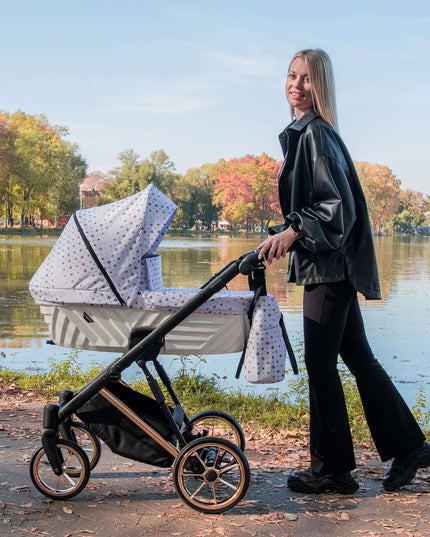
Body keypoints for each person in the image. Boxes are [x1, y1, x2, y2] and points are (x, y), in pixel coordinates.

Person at [257, 48, 430, 494]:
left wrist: (294, 231)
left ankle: (332, 470)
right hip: (332, 262)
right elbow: (321, 206)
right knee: (357, 358)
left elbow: (336, 208)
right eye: (291, 76)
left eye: (307, 78)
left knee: (320, 362)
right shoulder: (312, 133)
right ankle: (410, 447)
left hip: (329, 266)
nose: (296, 85)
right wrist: (284, 232)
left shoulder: (315, 134)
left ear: (322, 86)